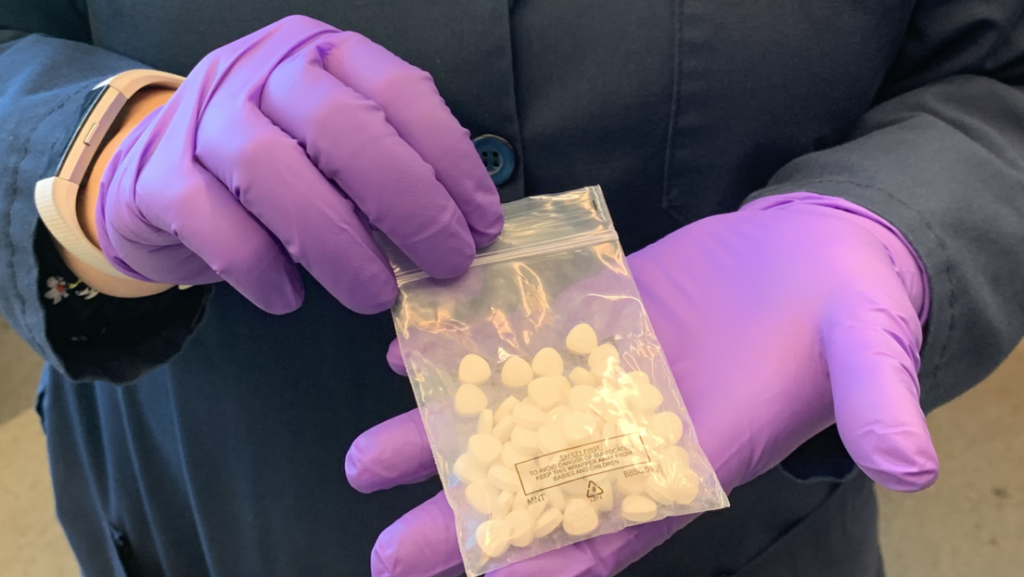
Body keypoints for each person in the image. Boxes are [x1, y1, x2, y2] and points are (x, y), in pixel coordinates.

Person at [1, 3, 1022, 576]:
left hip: (739, 531)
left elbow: (995, 71)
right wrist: (89, 152)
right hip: (218, 505)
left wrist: (894, 220)